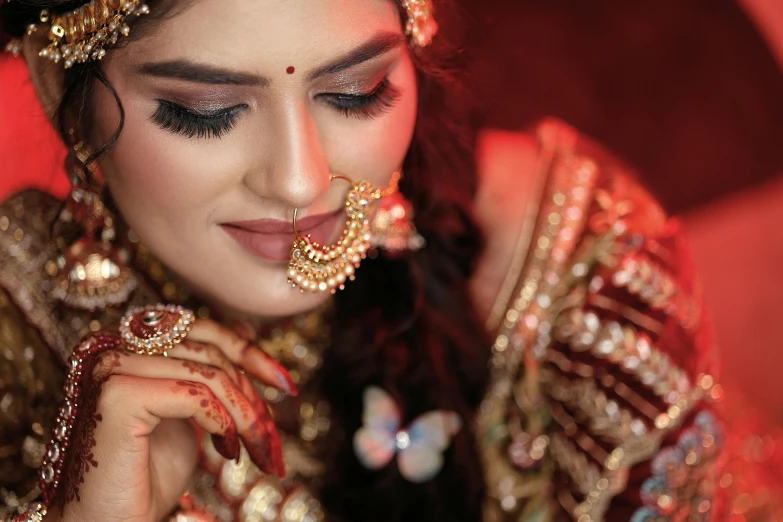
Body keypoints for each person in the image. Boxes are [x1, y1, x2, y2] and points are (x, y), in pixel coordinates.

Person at [0, 1, 779, 521]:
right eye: (203, 113)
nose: (300, 180)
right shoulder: (15, 333)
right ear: (50, 81)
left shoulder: (570, 255)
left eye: (358, 91)